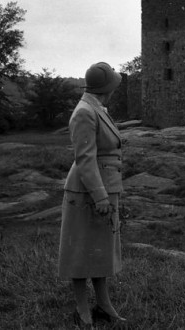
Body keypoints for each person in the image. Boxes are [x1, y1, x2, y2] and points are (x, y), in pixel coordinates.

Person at [58, 62, 127, 329]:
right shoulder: (84, 112)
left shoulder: (97, 108)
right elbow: (85, 159)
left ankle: (104, 304)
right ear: (106, 88)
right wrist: (100, 197)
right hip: (87, 190)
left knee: (102, 251)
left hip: (106, 187)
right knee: (79, 250)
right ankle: (82, 308)